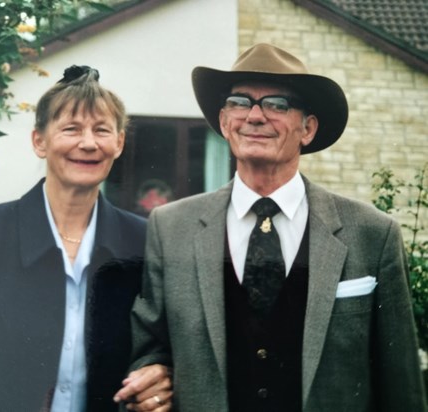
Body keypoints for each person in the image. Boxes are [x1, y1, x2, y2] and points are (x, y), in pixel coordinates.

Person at [114, 44, 427, 411]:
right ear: (224, 122)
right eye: (240, 102)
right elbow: (149, 348)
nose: (255, 116)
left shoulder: (372, 233)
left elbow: (402, 389)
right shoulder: (170, 228)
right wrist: (150, 379)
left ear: (307, 128)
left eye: (277, 104)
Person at [0, 65, 171, 412]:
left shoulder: (143, 241)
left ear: (118, 143)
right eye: (71, 129)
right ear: (39, 141)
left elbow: (161, 351)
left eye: (101, 130)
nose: (88, 143)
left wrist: (162, 375)